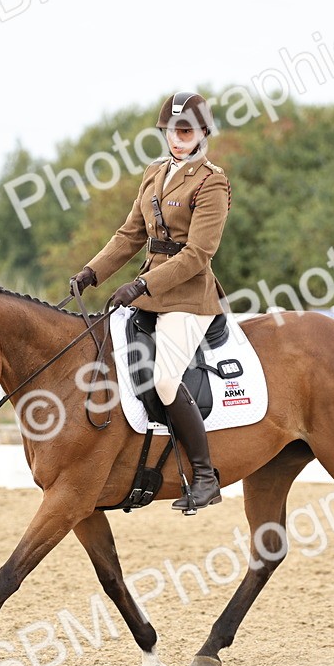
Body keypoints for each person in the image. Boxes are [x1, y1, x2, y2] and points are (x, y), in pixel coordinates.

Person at [71, 91, 231, 512]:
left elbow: (198, 255)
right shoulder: (154, 173)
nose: (177, 138)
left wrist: (142, 287)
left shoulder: (211, 181)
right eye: (171, 131)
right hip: (151, 293)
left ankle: (204, 476)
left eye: (185, 131)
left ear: (201, 133)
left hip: (190, 298)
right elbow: (130, 235)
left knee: (164, 380)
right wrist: (93, 272)